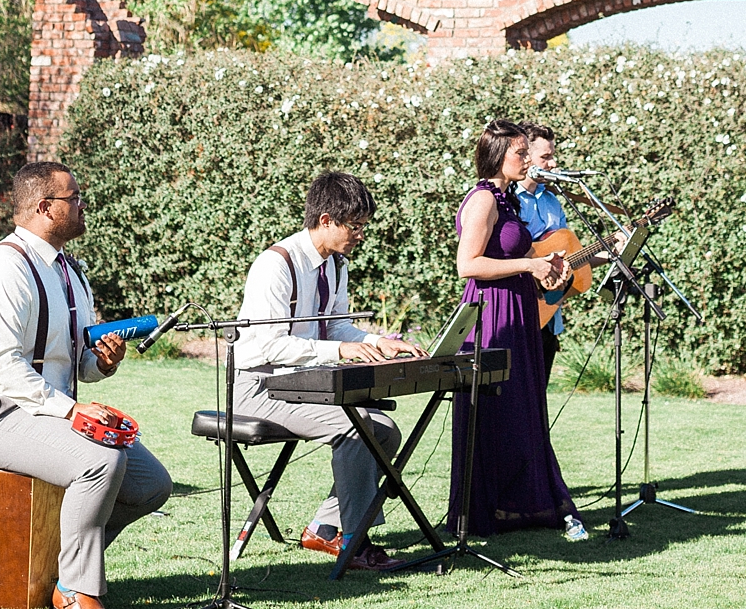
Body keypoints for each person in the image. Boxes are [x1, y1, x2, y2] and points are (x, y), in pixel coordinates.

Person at [0, 161, 172, 609]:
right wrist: (71, 408)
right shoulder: (0, 269)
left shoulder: (73, 272)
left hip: (47, 414)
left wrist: (102, 362)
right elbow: (1, 367)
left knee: (152, 482)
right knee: (100, 461)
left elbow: (78, 363)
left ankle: (52, 564)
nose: (83, 206)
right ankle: (75, 591)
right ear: (44, 207)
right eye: (75, 199)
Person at [234, 170, 426, 569]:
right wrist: (341, 349)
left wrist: (376, 343)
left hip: (299, 383)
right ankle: (356, 542)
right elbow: (269, 344)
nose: (360, 235)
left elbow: (336, 325)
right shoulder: (276, 265)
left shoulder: (336, 264)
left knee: (386, 432)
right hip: (258, 386)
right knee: (355, 428)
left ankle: (326, 527)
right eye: (354, 226)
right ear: (325, 221)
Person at [448, 121, 587, 541]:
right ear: (497, 155)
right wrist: (529, 265)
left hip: (520, 312)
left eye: (528, 153)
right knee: (494, 414)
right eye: (521, 153)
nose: (527, 160)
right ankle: (485, 510)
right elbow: (467, 265)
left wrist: (552, 267)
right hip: (493, 316)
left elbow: (526, 254)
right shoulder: (482, 201)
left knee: (520, 412)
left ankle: (520, 505)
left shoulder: (505, 200)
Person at [514, 122, 567, 384]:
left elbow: (569, 256)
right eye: (545, 157)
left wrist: (613, 248)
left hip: (548, 313)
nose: (553, 164)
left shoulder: (552, 201)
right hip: (518, 313)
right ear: (526, 158)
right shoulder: (506, 200)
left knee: (539, 404)